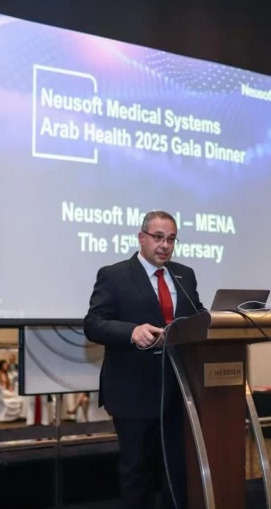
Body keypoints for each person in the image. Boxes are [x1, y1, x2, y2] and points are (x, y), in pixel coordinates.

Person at [84, 210, 204, 509]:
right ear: (142, 237)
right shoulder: (114, 275)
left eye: (171, 239)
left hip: (179, 390)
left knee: (177, 470)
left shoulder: (184, 275)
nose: (165, 245)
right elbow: (93, 323)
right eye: (158, 237)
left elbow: (198, 317)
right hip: (133, 391)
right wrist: (131, 331)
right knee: (138, 473)